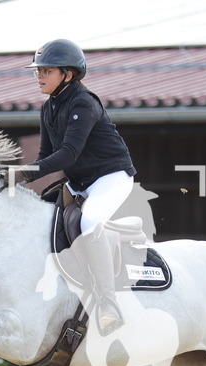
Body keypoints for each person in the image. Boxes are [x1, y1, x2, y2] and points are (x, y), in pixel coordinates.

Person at [17, 38, 137, 335]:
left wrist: (20, 174)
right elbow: (45, 156)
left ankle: (109, 303)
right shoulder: (49, 109)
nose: (39, 76)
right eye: (38, 71)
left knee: (91, 220)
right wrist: (17, 177)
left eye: (46, 71)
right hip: (80, 182)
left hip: (110, 177)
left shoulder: (83, 102)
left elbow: (68, 154)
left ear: (68, 75)